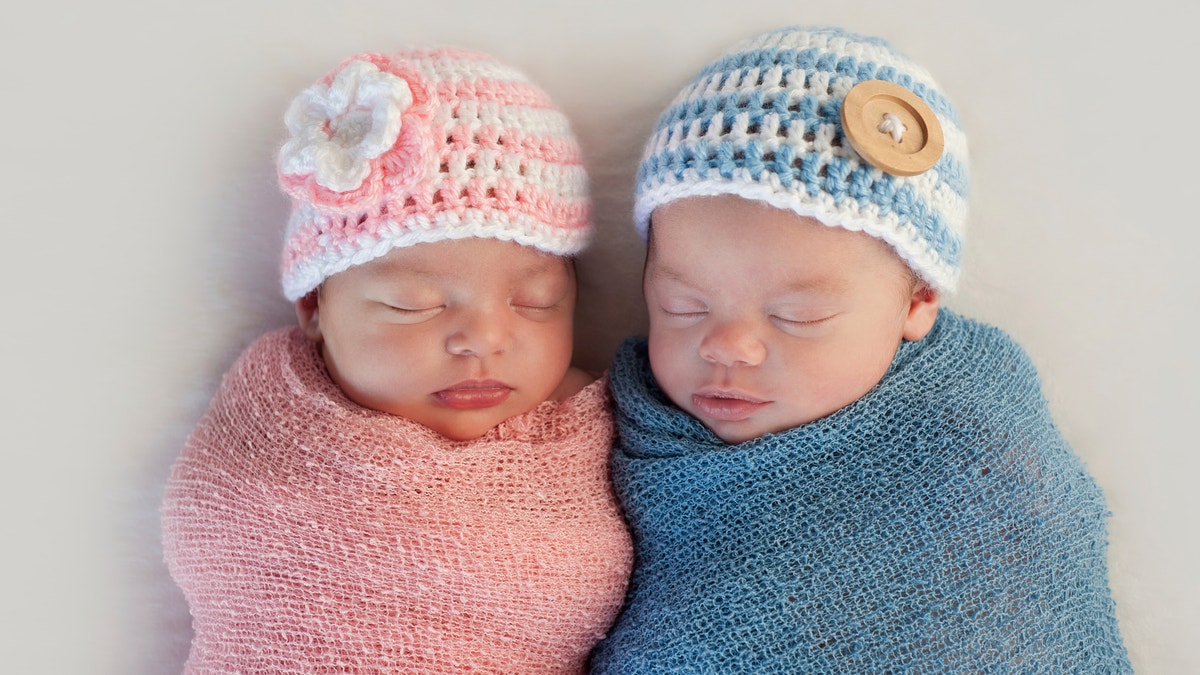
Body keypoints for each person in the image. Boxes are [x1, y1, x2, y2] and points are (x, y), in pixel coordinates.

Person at [588, 26, 1131, 673]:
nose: (728, 345)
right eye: (683, 306)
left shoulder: (972, 437)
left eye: (798, 315)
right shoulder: (604, 434)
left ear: (917, 300)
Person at [160, 46, 632, 673]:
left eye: (536, 301)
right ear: (314, 311)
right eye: (414, 305)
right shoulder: (271, 420)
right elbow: (222, 518)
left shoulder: (604, 427)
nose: (484, 339)